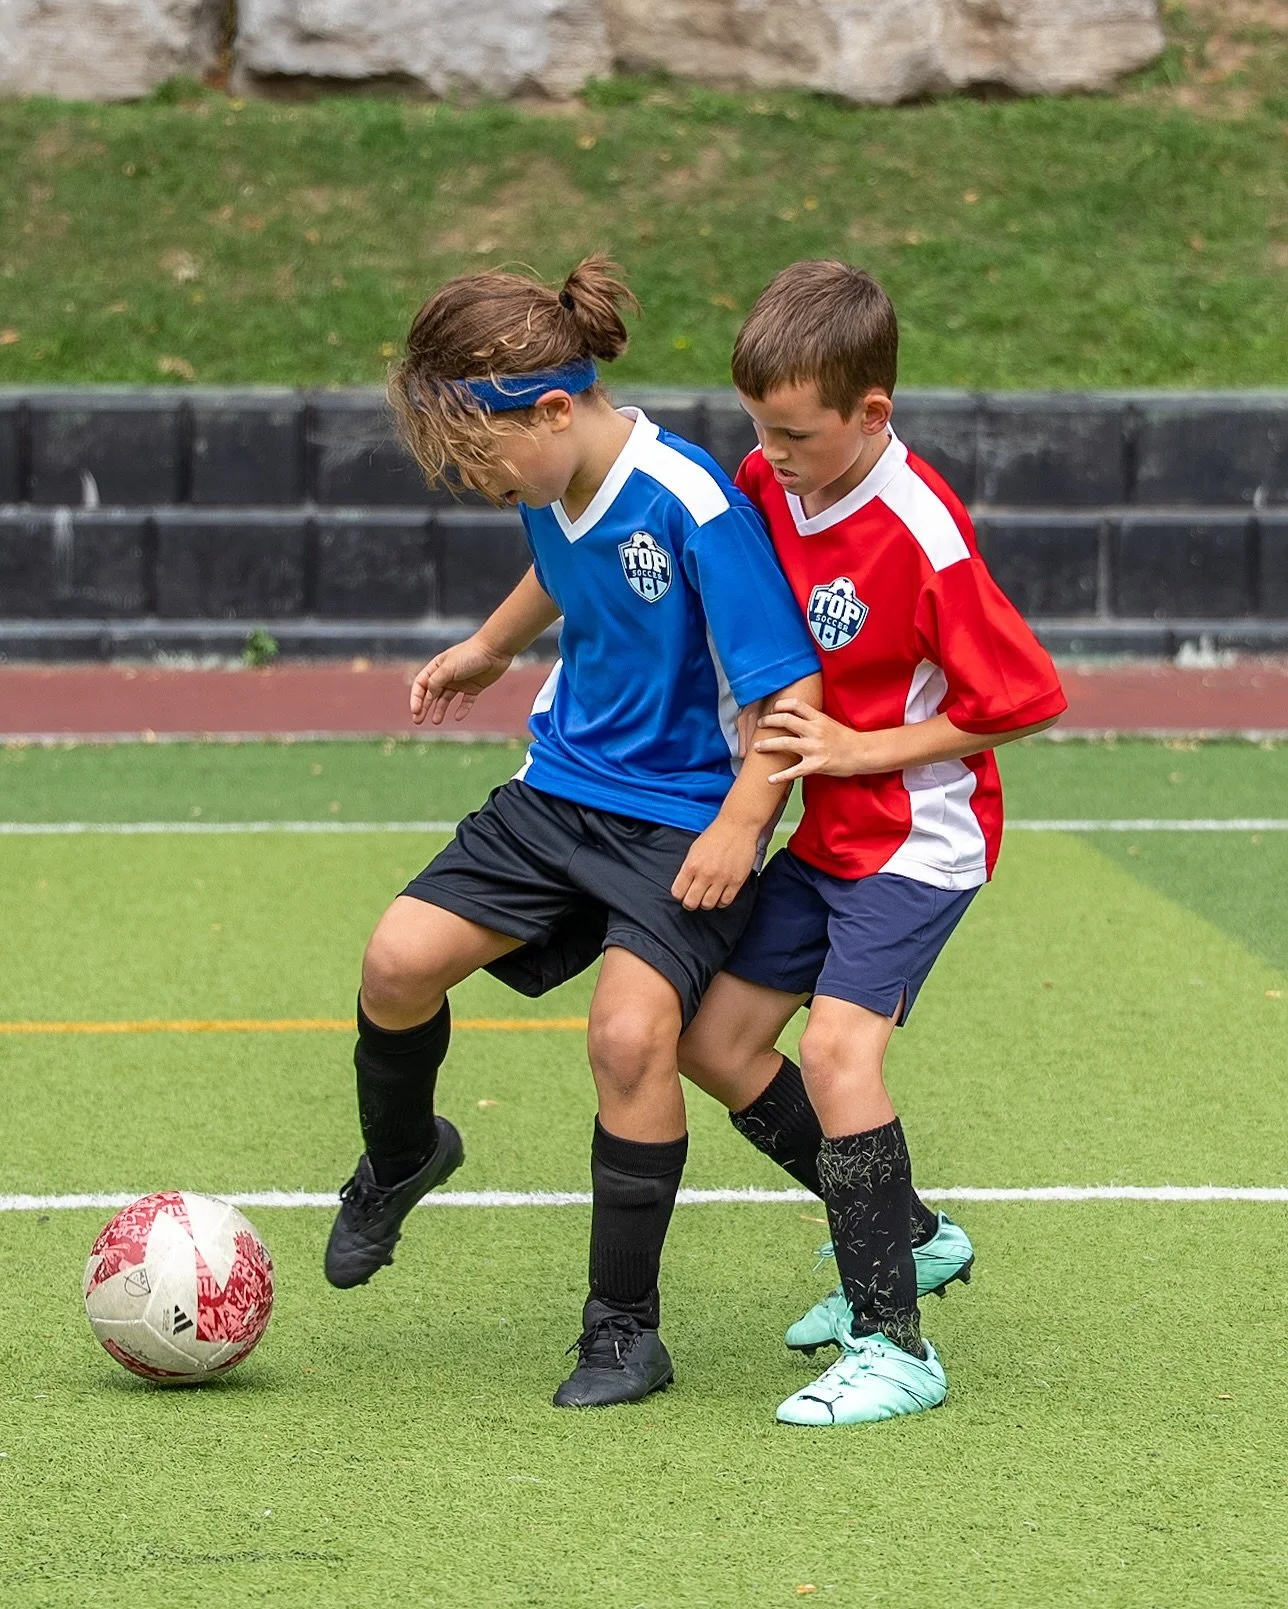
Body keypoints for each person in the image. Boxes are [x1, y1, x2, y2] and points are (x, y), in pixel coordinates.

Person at [323, 255, 821, 1410]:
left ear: (553, 408)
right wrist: (493, 646)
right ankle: (403, 1156)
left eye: (479, 462)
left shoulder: (692, 505)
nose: (478, 484)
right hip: (560, 795)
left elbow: (790, 701)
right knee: (396, 963)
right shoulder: (552, 475)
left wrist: (745, 824)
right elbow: (560, 563)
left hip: (686, 821)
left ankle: (623, 1332)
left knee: (628, 1038)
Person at [677, 260, 1068, 1426]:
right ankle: (911, 1233)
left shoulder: (920, 534)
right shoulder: (769, 476)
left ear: (871, 414)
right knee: (717, 1043)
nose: (771, 452)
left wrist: (864, 749)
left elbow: (1026, 695)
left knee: (840, 1055)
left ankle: (897, 1344)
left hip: (920, 837)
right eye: (758, 426)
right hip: (828, 835)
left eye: (794, 432)